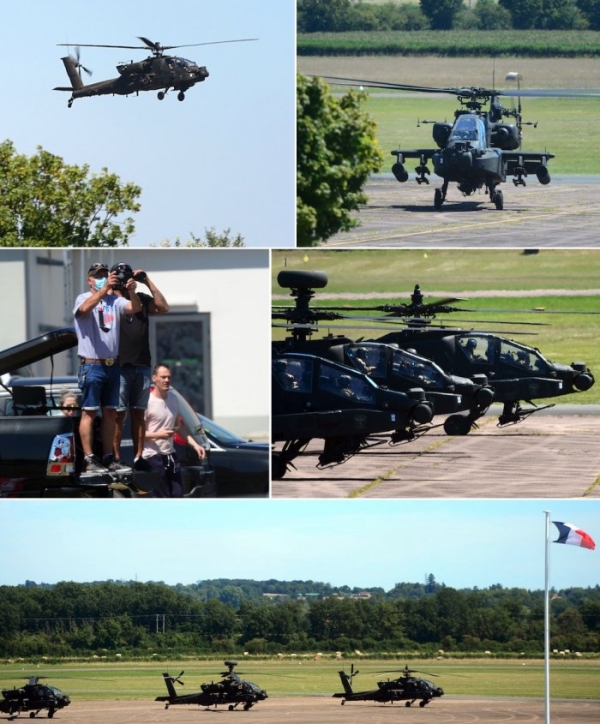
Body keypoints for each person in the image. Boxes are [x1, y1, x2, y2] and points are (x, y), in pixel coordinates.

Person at [73, 262, 142, 473]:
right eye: (98, 275)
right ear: (90, 280)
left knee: (111, 413)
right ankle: (89, 458)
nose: (103, 277)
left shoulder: (115, 300)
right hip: (92, 365)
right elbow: (84, 310)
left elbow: (135, 308)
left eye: (105, 274)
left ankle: (109, 457)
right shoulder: (83, 298)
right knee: (89, 413)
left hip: (112, 365)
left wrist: (131, 292)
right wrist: (104, 290)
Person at [110, 263, 170, 471]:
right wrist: (110, 286)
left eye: (126, 275)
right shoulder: (111, 300)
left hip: (142, 365)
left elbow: (163, 307)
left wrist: (146, 281)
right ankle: (116, 457)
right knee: (118, 415)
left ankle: (138, 457)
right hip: (119, 366)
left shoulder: (142, 299)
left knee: (138, 414)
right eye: (119, 275)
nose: (123, 279)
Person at [141, 363, 206, 497]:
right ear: (154, 378)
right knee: (161, 499)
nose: (166, 380)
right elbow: (138, 434)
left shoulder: (173, 399)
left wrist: (195, 445)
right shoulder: (147, 402)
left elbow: (179, 428)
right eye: (163, 377)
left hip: (171, 455)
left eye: (168, 377)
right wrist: (159, 434)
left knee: (177, 496)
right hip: (153, 456)